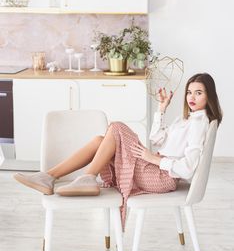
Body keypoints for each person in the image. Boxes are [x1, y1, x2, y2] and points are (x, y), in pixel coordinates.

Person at [14, 73, 223, 228]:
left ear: (209, 96)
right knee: (99, 140)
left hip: (162, 177)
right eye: (189, 92)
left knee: (117, 127)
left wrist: (154, 159)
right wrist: (161, 109)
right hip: (155, 168)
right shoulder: (186, 120)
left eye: (198, 92)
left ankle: (86, 178)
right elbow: (156, 139)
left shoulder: (200, 123)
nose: (191, 97)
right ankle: (49, 177)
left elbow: (187, 169)